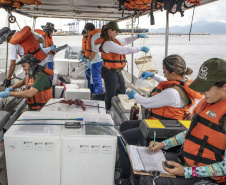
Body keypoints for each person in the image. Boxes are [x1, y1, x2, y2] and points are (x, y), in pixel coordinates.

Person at [116, 55, 203, 185]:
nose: (163, 73)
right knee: (124, 125)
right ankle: (124, 160)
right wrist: (153, 75)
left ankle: (125, 176)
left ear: (173, 73)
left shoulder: (172, 93)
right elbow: (167, 82)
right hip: (161, 122)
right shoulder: (182, 82)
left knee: (122, 138)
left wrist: (134, 95)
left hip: (164, 128)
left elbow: (147, 103)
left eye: (164, 71)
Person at [144, 58, 226, 185]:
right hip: (186, 162)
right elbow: (191, 133)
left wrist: (187, 172)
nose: (202, 93)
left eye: (207, 88)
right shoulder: (207, 102)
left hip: (206, 178)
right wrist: (163, 144)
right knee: (146, 166)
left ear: (224, 86)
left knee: (151, 180)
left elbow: (224, 167)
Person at [96, 21, 150, 112]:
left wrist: (137, 36)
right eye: (115, 32)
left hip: (116, 70)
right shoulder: (108, 43)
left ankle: (117, 110)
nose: (117, 34)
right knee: (111, 93)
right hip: (109, 71)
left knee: (121, 90)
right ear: (110, 31)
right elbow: (122, 50)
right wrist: (140, 49)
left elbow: (125, 41)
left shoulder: (114, 40)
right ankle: (107, 111)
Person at [83, 23, 103, 98]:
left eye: (86, 31)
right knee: (95, 79)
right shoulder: (96, 35)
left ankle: (98, 96)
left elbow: (95, 50)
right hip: (97, 61)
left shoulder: (95, 36)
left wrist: (90, 61)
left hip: (97, 62)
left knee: (97, 80)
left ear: (88, 30)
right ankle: (96, 94)